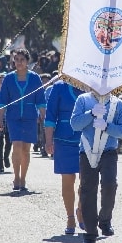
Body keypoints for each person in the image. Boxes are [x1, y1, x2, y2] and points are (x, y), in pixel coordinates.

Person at [70, 91, 122, 243]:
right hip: (87, 151)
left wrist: (108, 127)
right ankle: (90, 235)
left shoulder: (118, 104)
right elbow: (75, 124)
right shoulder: (83, 100)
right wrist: (90, 114)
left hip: (109, 151)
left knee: (110, 185)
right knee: (87, 191)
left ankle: (105, 219)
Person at [0, 48, 46, 192]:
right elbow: (2, 100)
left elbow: (41, 100)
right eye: (16, 59)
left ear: (27, 61)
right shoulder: (8, 78)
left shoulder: (35, 78)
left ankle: (23, 178)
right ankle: (16, 177)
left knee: (26, 149)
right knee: (17, 145)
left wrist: (44, 116)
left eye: (22, 60)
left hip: (30, 117)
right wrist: (0, 119)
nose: (19, 62)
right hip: (13, 117)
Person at [44, 80, 85, 234]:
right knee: (68, 179)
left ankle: (81, 210)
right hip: (63, 140)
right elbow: (50, 115)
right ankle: (70, 217)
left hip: (87, 140)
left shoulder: (92, 86)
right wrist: (48, 140)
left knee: (86, 180)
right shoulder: (59, 87)